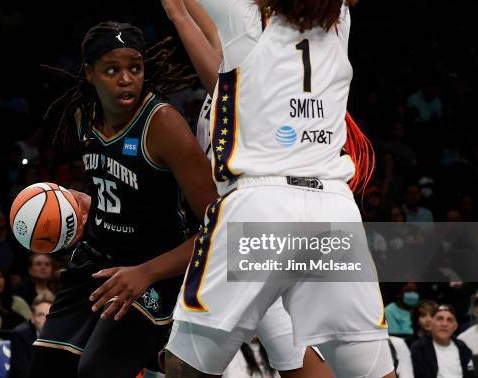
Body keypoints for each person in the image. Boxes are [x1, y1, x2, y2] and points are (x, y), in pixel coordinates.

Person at [156, 0, 394, 377]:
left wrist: (179, 13)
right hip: (334, 210)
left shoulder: (245, 17)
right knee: (367, 369)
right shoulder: (340, 21)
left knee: (186, 364)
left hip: (261, 205)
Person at [29, 21, 217, 378]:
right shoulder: (84, 115)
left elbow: (218, 226)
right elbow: (116, 188)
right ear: (89, 73)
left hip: (154, 269)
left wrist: (146, 272)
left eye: (135, 67)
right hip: (96, 262)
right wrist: (83, 202)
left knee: (98, 370)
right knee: (47, 368)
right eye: (112, 70)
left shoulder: (163, 125)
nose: (127, 78)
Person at [410, 304, 474, 378]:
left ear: (455, 326)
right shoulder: (419, 348)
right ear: (431, 324)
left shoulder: (463, 348)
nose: (444, 324)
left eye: (449, 320)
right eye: (440, 319)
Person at [7, 293, 54, 378]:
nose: (46, 320)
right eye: (41, 315)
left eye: (49, 315)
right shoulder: (20, 335)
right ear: (32, 318)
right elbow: (22, 373)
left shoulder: (62, 334)